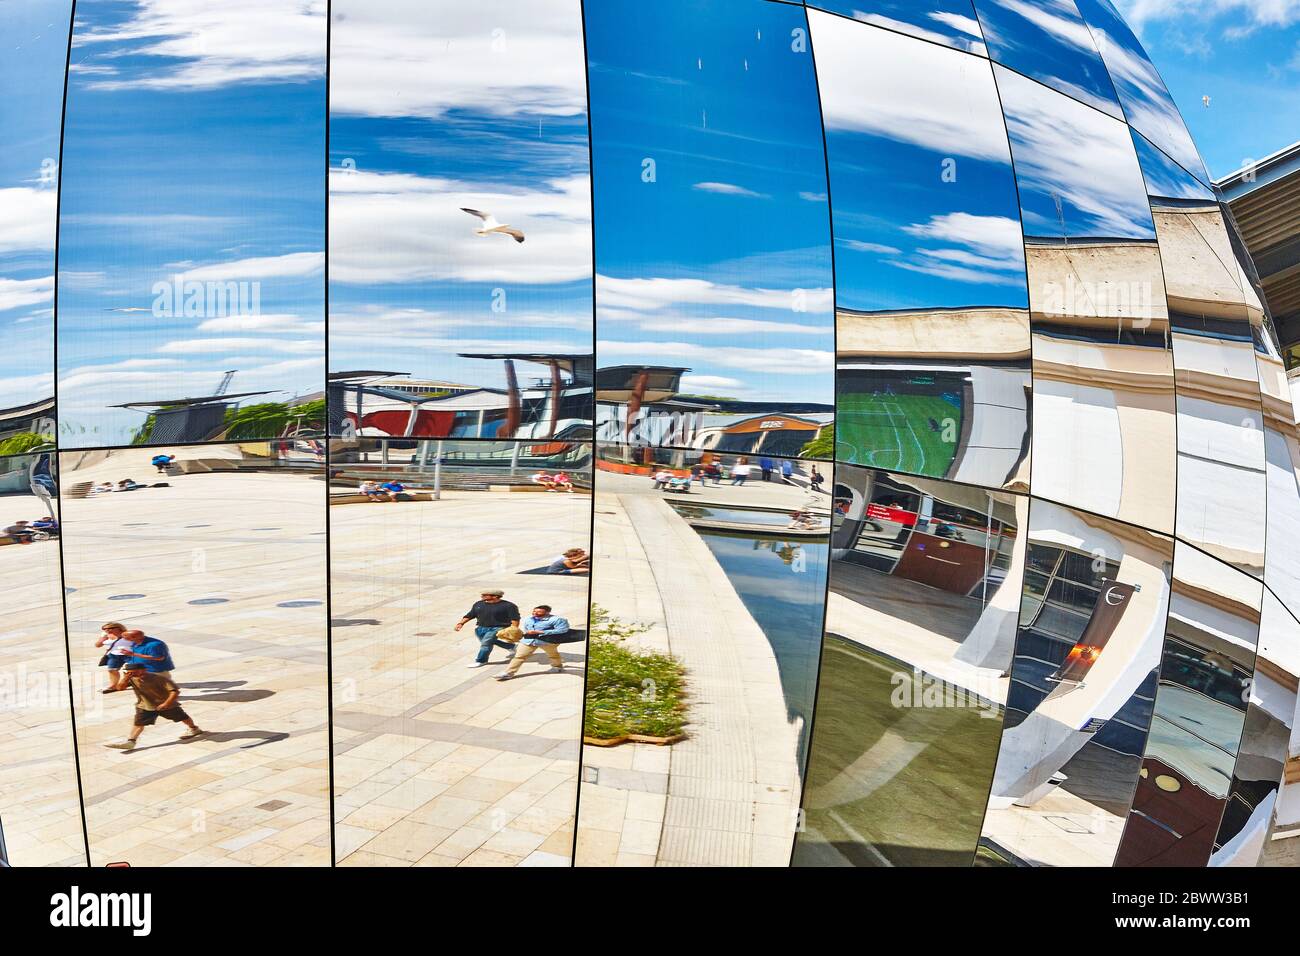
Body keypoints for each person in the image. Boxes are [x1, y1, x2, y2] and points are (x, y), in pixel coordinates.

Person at [103, 667, 205, 751]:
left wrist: (166, 703)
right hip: (144, 706)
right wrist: (125, 678)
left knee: (182, 717)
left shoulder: (158, 678)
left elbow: (175, 691)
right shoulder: (131, 678)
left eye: (134, 671)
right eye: (129, 672)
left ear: (143, 670)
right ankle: (131, 741)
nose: (131, 673)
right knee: (139, 723)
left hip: (166, 705)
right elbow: (120, 688)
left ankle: (194, 729)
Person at [496, 605, 570, 681]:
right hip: (529, 641)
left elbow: (563, 630)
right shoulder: (529, 619)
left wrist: (541, 632)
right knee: (519, 656)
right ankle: (508, 673)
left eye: (539, 612)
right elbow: (526, 629)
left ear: (547, 612)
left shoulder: (557, 619)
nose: (535, 613)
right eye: (534, 611)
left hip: (547, 641)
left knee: (553, 654)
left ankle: (557, 667)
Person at [454, 589, 521, 668]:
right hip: (481, 628)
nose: (482, 596)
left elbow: (515, 618)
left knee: (486, 644)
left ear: (495, 596)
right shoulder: (478, 604)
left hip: (498, 627)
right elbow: (471, 614)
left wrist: (513, 629)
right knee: (489, 642)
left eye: (485, 595)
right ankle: (511, 647)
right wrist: (461, 623)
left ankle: (481, 661)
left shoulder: (508, 606)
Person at [96, 622, 134, 692]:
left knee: (130, 670)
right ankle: (113, 686)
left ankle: (129, 682)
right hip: (114, 655)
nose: (107, 630)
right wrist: (103, 638)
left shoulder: (127, 634)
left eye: (110, 628)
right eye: (104, 629)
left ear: (119, 628)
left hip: (128, 654)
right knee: (112, 670)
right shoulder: (105, 635)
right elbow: (98, 645)